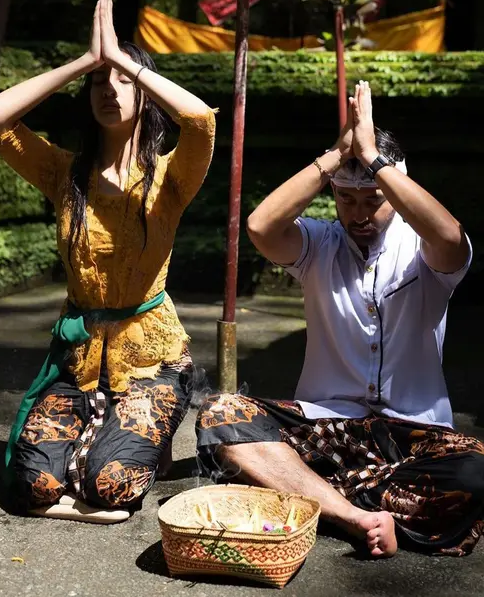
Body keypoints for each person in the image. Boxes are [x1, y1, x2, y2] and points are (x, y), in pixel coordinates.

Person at [196, 81, 483, 558]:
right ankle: (355, 515)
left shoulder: (423, 250)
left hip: (415, 432)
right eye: (347, 200)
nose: (359, 213)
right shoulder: (319, 244)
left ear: (394, 188)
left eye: (373, 198)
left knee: (473, 469)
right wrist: (337, 154)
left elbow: (452, 237)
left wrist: (374, 158)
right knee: (221, 415)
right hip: (328, 425)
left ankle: (309, 494)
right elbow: (260, 227)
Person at [0, 0, 215, 523]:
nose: (109, 89)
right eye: (99, 83)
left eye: (122, 81)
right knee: (35, 484)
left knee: (110, 486)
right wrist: (86, 61)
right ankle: (89, 449)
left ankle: (127, 448)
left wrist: (123, 62)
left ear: (142, 92)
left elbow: (201, 119)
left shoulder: (170, 175)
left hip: (151, 362)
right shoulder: (63, 172)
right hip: (79, 357)